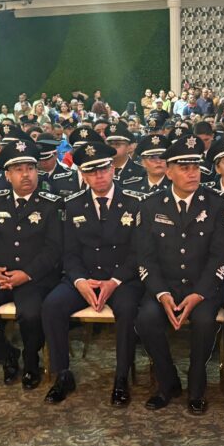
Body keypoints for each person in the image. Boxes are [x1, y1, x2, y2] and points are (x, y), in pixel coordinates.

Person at [42, 132, 144, 405]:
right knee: (52, 305)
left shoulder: (135, 201)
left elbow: (139, 253)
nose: (99, 176)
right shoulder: (72, 203)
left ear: (113, 169)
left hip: (122, 279)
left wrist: (115, 281)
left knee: (127, 309)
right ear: (83, 176)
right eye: (91, 171)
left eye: (103, 169)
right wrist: (80, 281)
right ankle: (62, 374)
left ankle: (121, 377)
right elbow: (69, 253)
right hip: (84, 277)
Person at [135, 130, 224, 414]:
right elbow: (146, 257)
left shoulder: (218, 205)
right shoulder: (150, 205)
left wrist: (199, 294)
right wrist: (161, 293)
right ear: (169, 171)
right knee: (146, 318)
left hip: (202, 287)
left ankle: (197, 383)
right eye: (184, 167)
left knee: (203, 321)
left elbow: (219, 257)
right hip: (164, 285)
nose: (192, 173)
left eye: (195, 167)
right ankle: (167, 381)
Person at [0, 139, 63, 390]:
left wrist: (27, 274)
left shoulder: (52, 203)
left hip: (34, 278)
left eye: (30, 168)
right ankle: (7, 356)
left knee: (31, 314)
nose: (25, 174)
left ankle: (31, 361)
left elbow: (54, 248)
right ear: (7, 175)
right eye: (18, 170)